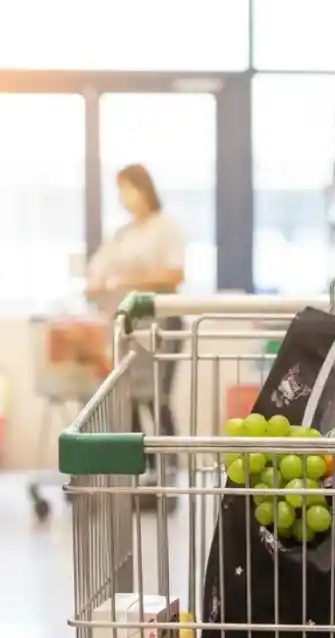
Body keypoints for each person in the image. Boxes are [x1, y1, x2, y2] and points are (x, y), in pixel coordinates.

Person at [86, 163, 185, 439]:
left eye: (126, 190)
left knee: (156, 397)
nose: (123, 198)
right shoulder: (123, 234)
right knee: (126, 397)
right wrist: (97, 285)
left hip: (161, 323)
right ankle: (138, 468)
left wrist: (129, 281)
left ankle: (168, 466)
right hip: (129, 327)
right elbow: (99, 270)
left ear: (143, 188)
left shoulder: (165, 226)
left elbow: (175, 274)